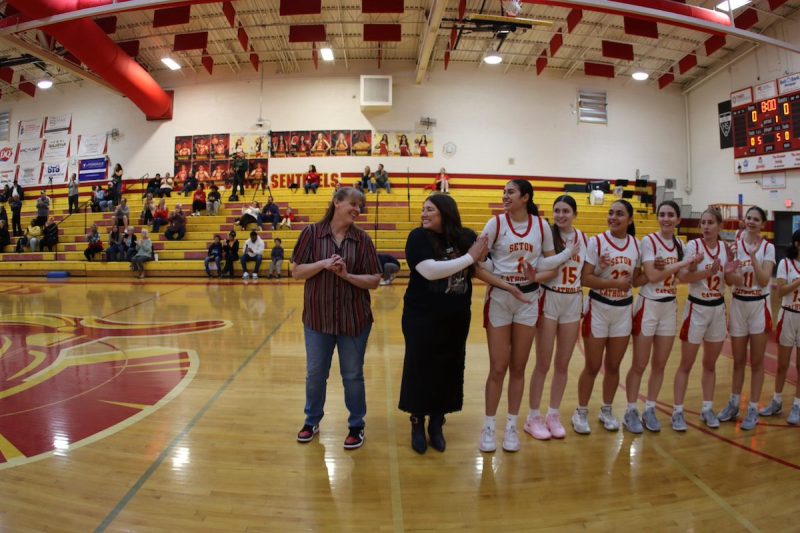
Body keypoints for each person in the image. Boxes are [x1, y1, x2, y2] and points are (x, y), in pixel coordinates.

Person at [400, 194, 525, 454]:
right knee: (420, 366)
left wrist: (499, 273)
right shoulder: (418, 237)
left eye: (430, 210)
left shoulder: (464, 236)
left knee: (449, 368)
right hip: (421, 316)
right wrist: (470, 257)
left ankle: (437, 422)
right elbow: (430, 270)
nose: (424, 214)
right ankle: (417, 420)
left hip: (456, 317)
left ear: (445, 213)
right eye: (423, 210)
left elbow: (483, 267)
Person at [478, 180, 578, 452]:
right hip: (500, 298)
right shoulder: (495, 224)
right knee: (498, 367)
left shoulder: (541, 226)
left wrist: (536, 276)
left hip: (529, 301)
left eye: (510, 192)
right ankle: (488, 426)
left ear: (525, 197)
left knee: (519, 367)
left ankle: (512, 425)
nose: (505, 196)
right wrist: (506, 285)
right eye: (504, 192)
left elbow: (551, 268)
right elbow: (477, 266)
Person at [292, 187, 381, 450]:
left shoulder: (362, 240)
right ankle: (311, 421)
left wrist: (346, 276)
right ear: (336, 202)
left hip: (354, 321)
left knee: (353, 375)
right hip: (318, 320)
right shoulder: (311, 233)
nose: (357, 209)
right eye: (353, 204)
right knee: (315, 374)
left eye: (360, 206)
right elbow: (297, 271)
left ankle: (356, 425)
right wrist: (323, 264)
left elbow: (374, 280)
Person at [623, 201, 702, 434]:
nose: (666, 219)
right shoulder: (649, 241)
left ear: (678, 220)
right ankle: (630, 410)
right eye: (662, 215)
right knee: (639, 363)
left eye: (670, 215)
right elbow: (652, 276)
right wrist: (679, 265)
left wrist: (694, 267)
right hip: (649, 305)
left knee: (660, 364)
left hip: (669, 307)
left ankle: (650, 408)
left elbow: (682, 275)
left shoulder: (680, 244)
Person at [572, 199, 641, 435]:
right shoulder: (596, 242)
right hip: (599, 307)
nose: (613, 217)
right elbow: (585, 279)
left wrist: (660, 271)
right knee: (592, 365)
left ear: (630, 220)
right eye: (611, 213)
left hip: (623, 310)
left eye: (619, 214)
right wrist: (613, 281)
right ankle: (580, 411)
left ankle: (607, 409)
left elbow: (637, 279)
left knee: (613, 365)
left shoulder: (636, 244)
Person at [672, 208, 741, 430]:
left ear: (719, 226)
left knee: (710, 364)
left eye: (711, 222)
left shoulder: (725, 248)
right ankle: (678, 411)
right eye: (703, 222)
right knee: (686, 363)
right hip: (697, 307)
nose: (706, 226)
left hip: (718, 308)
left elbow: (730, 281)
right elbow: (682, 277)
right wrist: (704, 272)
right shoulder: (693, 246)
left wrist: (730, 266)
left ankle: (707, 408)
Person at [525, 195, 587, 440]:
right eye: (557, 210)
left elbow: (588, 270)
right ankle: (533, 416)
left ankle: (553, 413)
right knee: (543, 363)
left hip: (573, 300)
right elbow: (540, 267)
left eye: (566, 211)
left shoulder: (584, 238)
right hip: (550, 297)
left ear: (574, 213)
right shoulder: (547, 236)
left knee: (563, 364)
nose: (561, 215)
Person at [717, 206, 775, 430]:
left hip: (759, 305)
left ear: (763, 224)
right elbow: (731, 281)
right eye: (748, 218)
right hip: (739, 303)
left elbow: (762, 281)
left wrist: (752, 256)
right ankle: (733, 404)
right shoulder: (734, 247)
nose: (751, 222)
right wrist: (732, 266)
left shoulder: (768, 249)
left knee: (758, 362)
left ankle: (752, 408)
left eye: (756, 219)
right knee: (738, 361)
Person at [761, 229, 800, 425]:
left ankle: (797, 405)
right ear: (796, 244)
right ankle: (776, 401)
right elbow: (780, 292)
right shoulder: (786, 263)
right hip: (788, 315)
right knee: (782, 364)